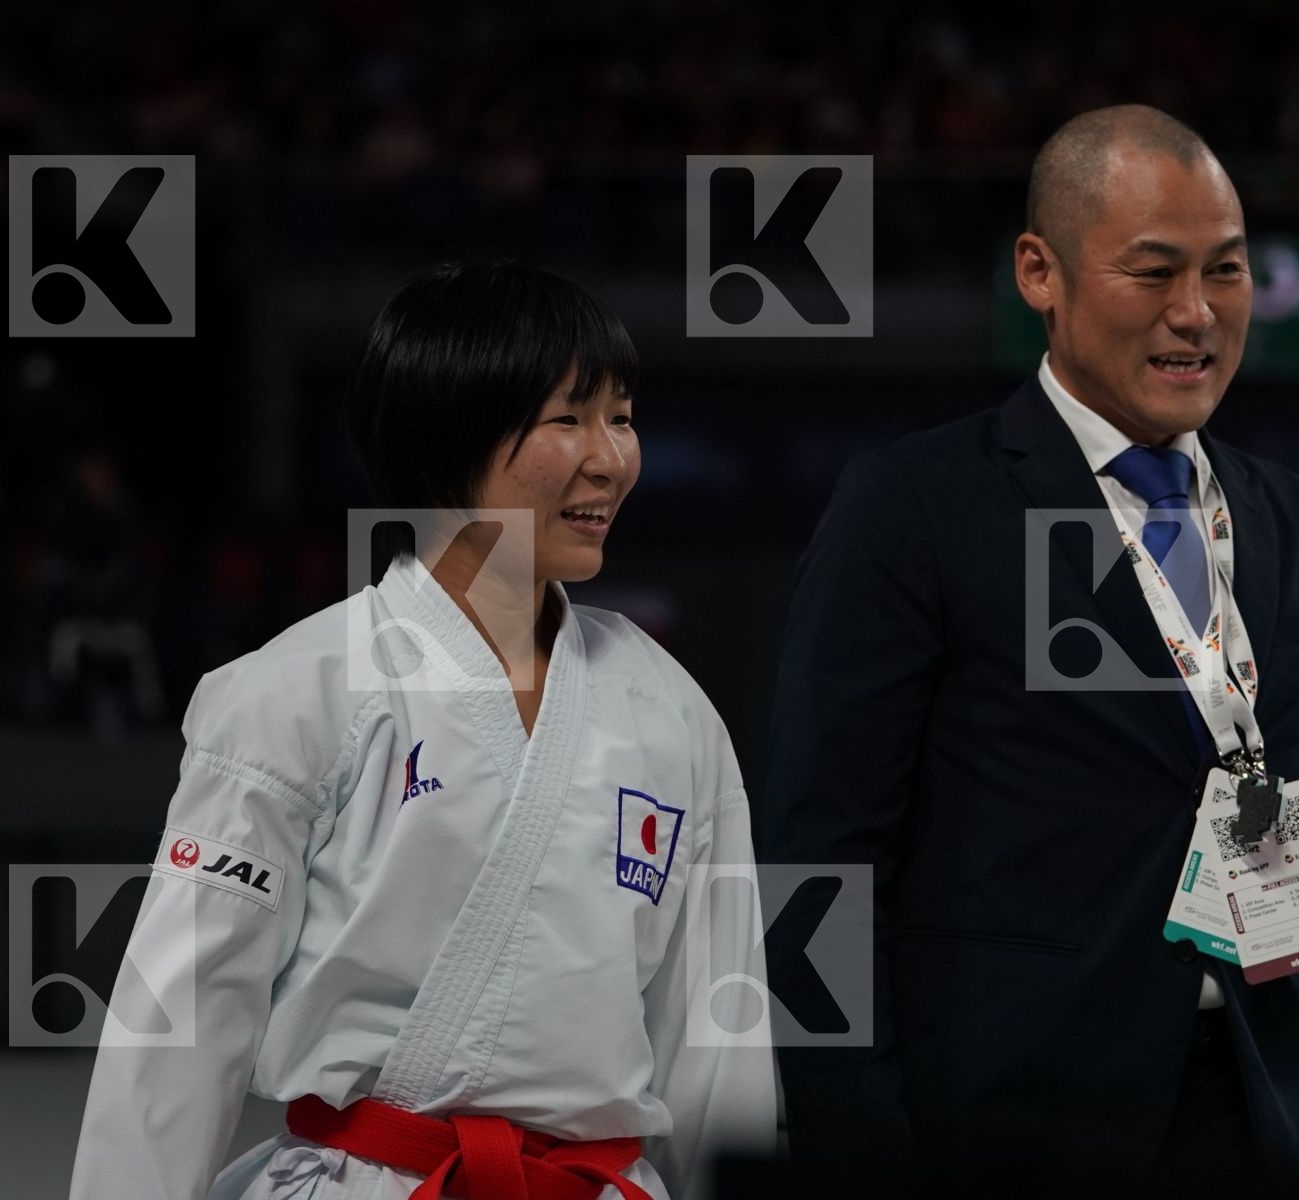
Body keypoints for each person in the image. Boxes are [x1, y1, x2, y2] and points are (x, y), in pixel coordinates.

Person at [762, 105, 1299, 1199]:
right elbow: (819, 862)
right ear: (1040, 272)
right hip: (995, 1132)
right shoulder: (916, 506)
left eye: (1226, 272)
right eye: (1153, 272)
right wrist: (856, 1156)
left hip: (1260, 1122)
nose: (1197, 314)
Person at [71, 261, 777, 1199]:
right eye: (568, 420)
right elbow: (182, 1023)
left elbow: (716, 1044)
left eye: (621, 415)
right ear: (450, 434)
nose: (611, 458)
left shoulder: (670, 709)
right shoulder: (297, 692)